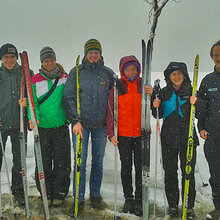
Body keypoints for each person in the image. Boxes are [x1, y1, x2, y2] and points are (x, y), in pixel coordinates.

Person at [63, 39, 115, 211]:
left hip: (100, 126)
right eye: (90, 52)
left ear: (100, 54)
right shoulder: (76, 72)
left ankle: (95, 195)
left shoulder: (108, 73)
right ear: (86, 54)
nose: (93, 55)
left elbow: (115, 98)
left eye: (96, 52)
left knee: (97, 162)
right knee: (80, 162)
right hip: (81, 126)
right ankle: (79, 197)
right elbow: (68, 97)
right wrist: (75, 121)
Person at [149, 62, 199, 219]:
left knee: (188, 174)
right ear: (168, 77)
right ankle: (172, 205)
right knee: (170, 173)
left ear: (184, 76)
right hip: (169, 139)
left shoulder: (192, 91)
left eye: (179, 74)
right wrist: (154, 105)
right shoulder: (164, 93)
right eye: (173, 74)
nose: (177, 77)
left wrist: (197, 103)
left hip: (188, 139)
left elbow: (201, 112)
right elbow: (158, 115)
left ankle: (188, 206)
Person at [29, 46, 71, 206]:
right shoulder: (35, 80)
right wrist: (34, 118)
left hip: (60, 127)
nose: (49, 63)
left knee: (62, 161)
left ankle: (60, 192)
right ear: (42, 62)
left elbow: (70, 98)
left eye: (52, 60)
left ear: (55, 60)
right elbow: (32, 103)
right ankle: (45, 191)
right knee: (43, 162)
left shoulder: (64, 77)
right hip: (43, 128)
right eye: (46, 60)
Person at [107, 55, 143, 216]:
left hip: (141, 134)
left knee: (141, 169)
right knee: (126, 168)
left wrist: (153, 93)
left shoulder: (143, 84)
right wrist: (110, 133)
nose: (130, 72)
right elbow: (110, 111)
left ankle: (140, 198)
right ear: (122, 70)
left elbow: (153, 105)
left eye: (133, 69)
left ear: (138, 70)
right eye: (127, 69)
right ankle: (128, 198)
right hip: (123, 135)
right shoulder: (118, 87)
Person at [0, 43, 29, 206]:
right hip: (1, 124)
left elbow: (33, 98)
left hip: (19, 123)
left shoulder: (25, 73)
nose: (9, 60)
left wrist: (26, 105)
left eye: (12, 56)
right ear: (1, 59)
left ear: (17, 58)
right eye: (6, 57)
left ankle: (17, 191)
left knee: (20, 161)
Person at [196, 40, 220, 220]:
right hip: (213, 137)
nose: (218, 58)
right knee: (216, 175)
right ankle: (218, 207)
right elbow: (201, 110)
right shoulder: (208, 81)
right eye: (216, 55)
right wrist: (202, 128)